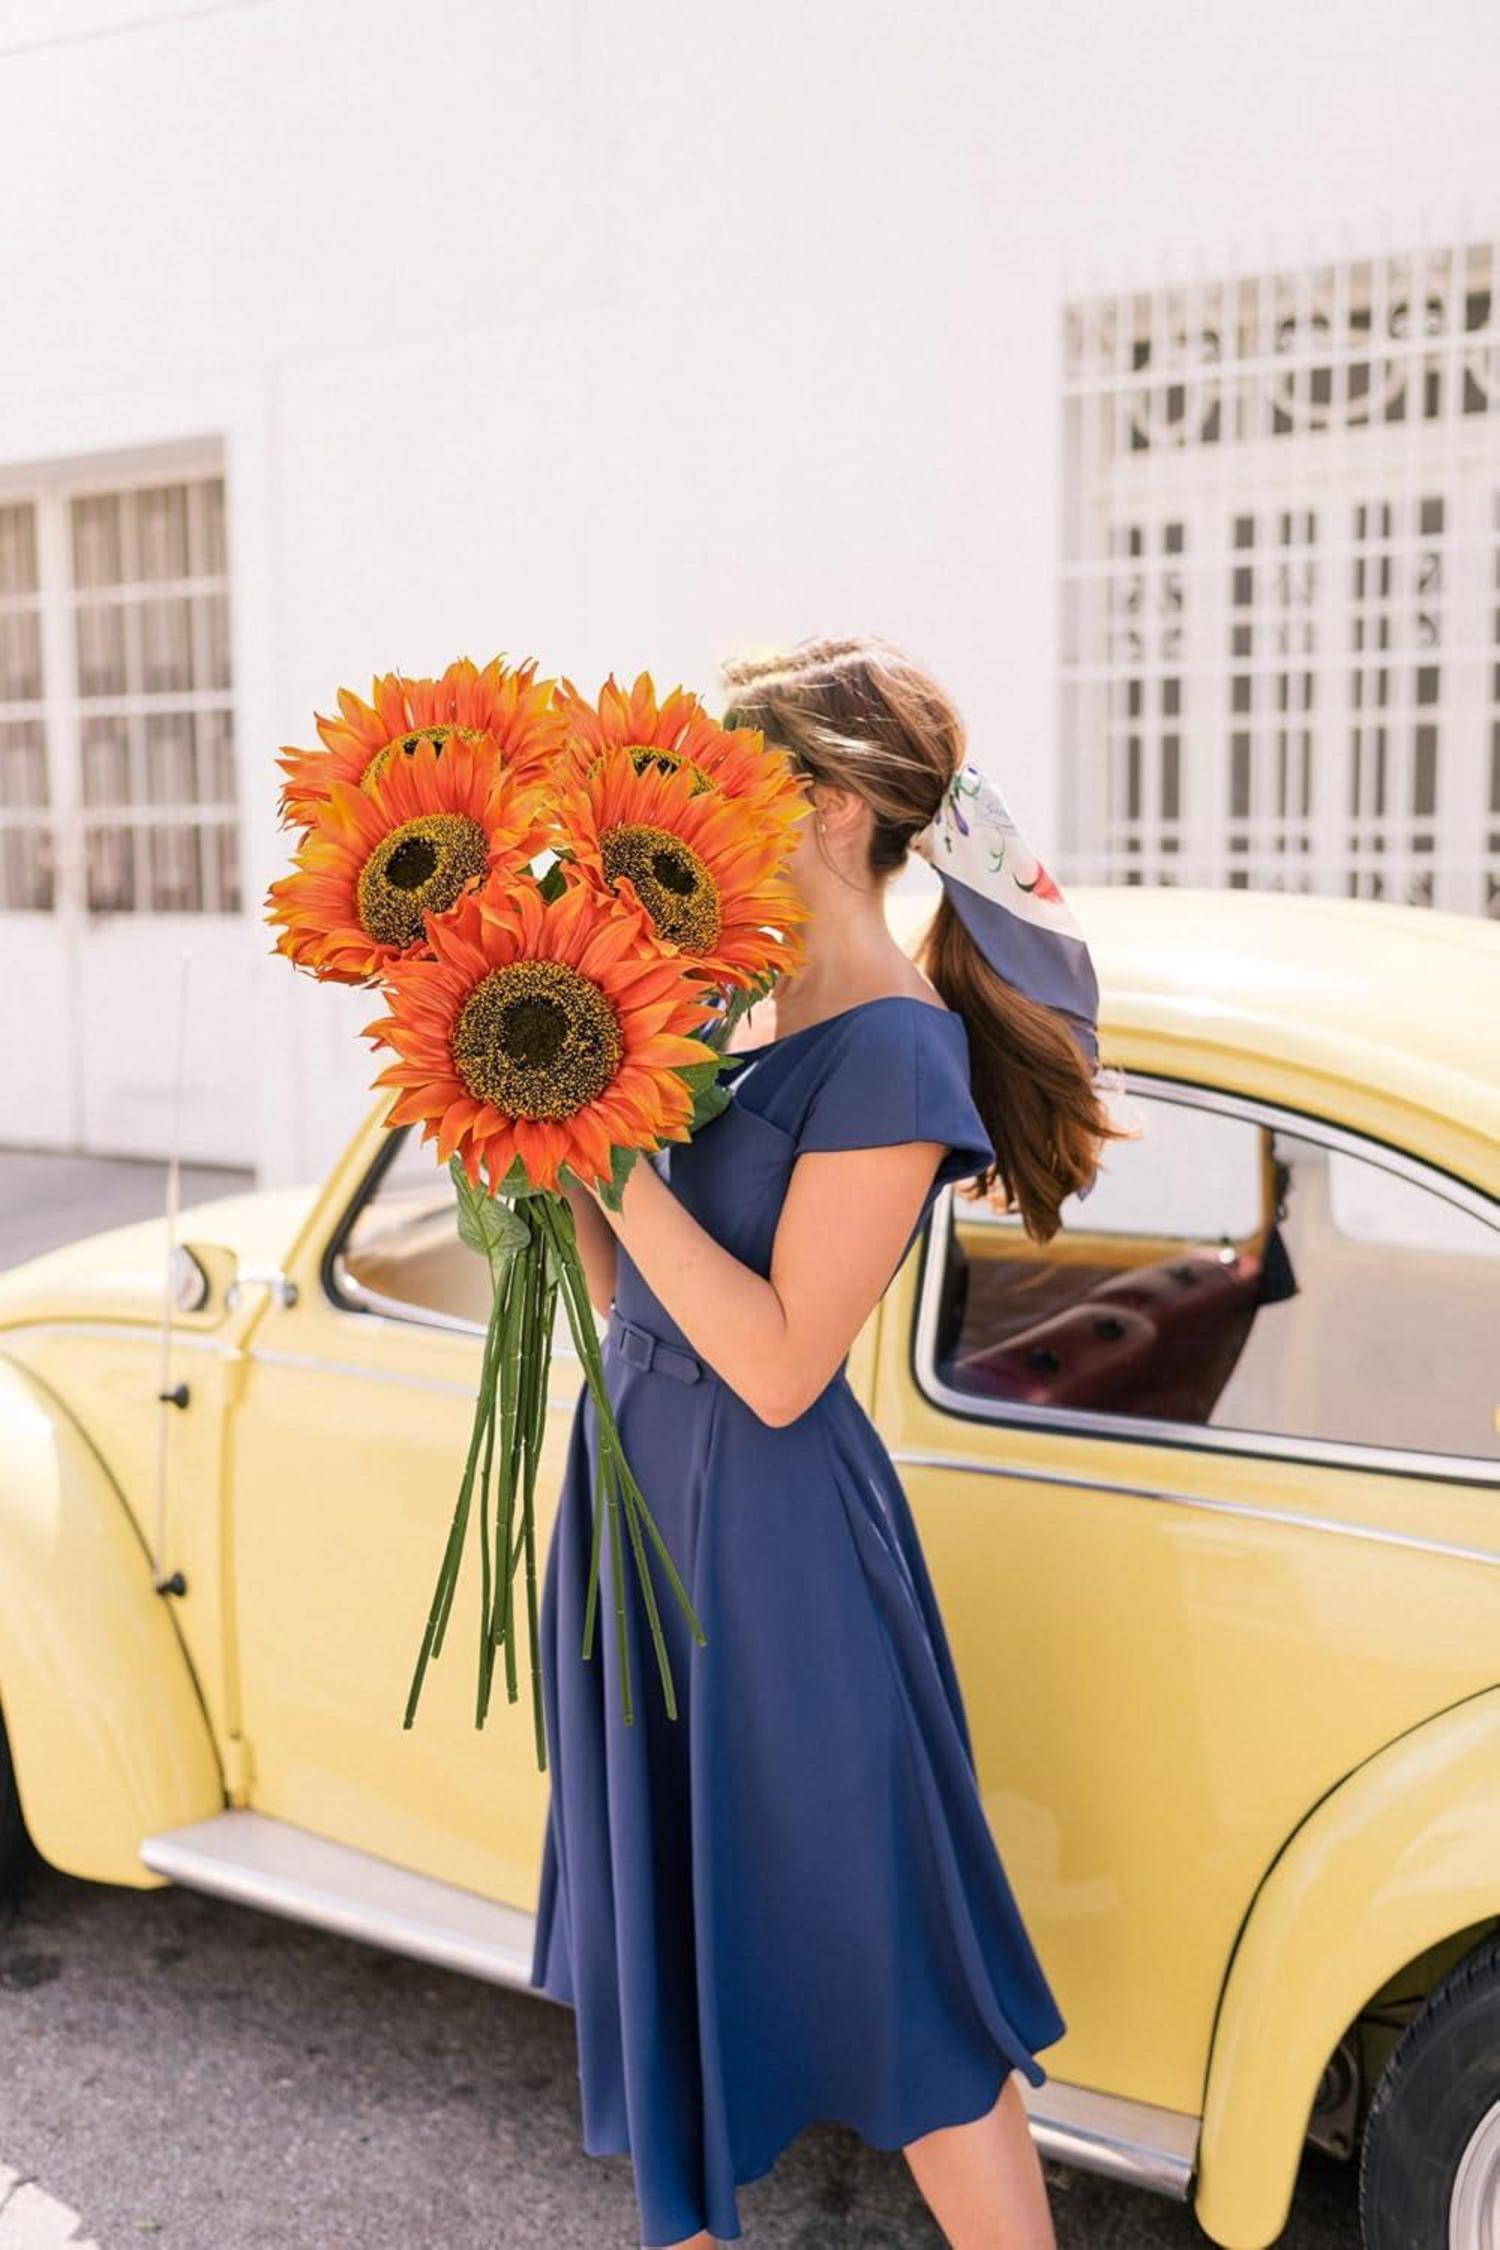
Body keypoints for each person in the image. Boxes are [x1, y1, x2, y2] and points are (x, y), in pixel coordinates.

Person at [528, 633, 1129, 2248]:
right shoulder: (726, 1025)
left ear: (843, 807)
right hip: (646, 1519)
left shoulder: (896, 1046)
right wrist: (551, 1159)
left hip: (775, 1562)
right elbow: (637, 1300)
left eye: (741, 782)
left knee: (895, 1978)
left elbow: (786, 1363)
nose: (704, 815)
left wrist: (611, 1151)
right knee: (681, 1962)